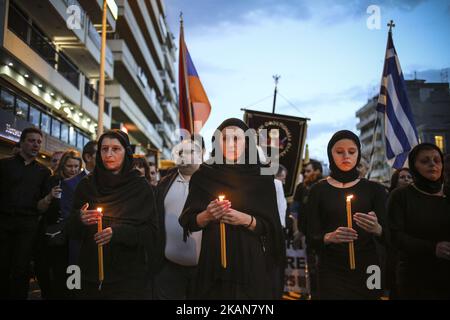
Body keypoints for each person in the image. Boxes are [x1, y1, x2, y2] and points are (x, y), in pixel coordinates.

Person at [179, 118, 285, 299]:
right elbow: (189, 221)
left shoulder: (262, 177)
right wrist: (207, 215)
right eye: (224, 138)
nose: (230, 144)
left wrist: (246, 220)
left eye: (236, 139)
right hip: (212, 262)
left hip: (250, 261)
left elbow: (271, 227)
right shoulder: (203, 175)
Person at [66, 130, 158, 299]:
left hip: (129, 277)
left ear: (126, 152)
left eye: (116, 149)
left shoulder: (140, 187)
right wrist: (80, 219)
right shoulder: (86, 185)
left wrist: (118, 233)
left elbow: (151, 232)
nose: (109, 154)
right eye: (104, 149)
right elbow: (70, 229)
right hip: (91, 273)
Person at [306, 130, 387, 300]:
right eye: (339, 152)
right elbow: (310, 235)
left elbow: (391, 235)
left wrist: (377, 228)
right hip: (332, 268)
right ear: (330, 154)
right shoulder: (318, 191)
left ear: (358, 154)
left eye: (351, 151)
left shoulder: (375, 190)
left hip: (370, 267)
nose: (346, 156)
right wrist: (328, 237)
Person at [387, 143, 450, 299]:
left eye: (437, 160)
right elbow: (394, 235)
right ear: (414, 166)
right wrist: (432, 248)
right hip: (415, 278)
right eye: (425, 161)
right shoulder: (400, 196)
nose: (432, 164)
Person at [0, 128, 51, 299]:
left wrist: (49, 198)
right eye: (31, 140)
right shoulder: (4, 165)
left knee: (21, 269)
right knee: (2, 266)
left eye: (38, 141)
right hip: (3, 222)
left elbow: (42, 205)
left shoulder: (44, 172)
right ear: (21, 142)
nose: (36, 144)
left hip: (28, 225)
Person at [153, 136, 205, 299]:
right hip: (168, 270)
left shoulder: (212, 185)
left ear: (202, 153)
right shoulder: (163, 185)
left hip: (204, 273)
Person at [35, 150, 82, 299]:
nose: (73, 170)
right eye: (69, 166)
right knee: (54, 273)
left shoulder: (83, 183)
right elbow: (39, 207)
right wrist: (50, 196)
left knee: (73, 275)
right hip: (54, 236)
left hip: (74, 237)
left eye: (76, 166)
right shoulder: (52, 181)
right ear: (63, 166)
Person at [60, 141, 97, 267]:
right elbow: (67, 219)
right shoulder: (70, 184)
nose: (106, 155)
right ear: (88, 157)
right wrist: (79, 218)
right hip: (79, 247)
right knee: (75, 284)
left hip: (104, 248)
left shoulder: (112, 182)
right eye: (101, 152)